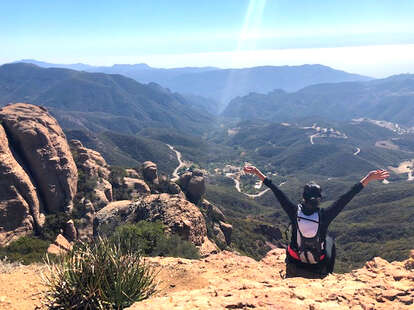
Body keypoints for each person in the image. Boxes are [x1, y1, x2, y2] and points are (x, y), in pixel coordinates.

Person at [243, 165, 389, 277]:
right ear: (319, 199)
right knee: (330, 240)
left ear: (303, 197)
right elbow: (346, 197)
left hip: (295, 261)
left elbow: (276, 190)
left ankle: (294, 267)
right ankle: (327, 274)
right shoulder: (325, 215)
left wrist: (257, 172)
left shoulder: (294, 212)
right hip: (317, 265)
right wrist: (368, 178)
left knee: (292, 240)